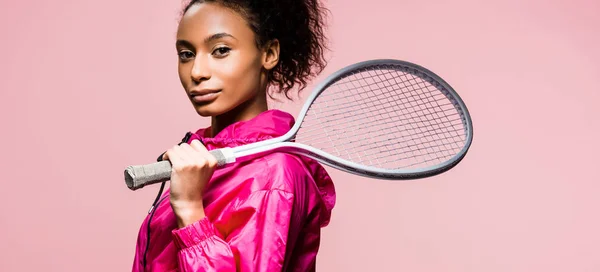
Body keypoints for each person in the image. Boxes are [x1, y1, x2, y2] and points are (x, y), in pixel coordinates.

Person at [131, 0, 336, 271]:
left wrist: (191, 211)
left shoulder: (274, 175)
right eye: (186, 54)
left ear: (269, 53)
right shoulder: (200, 158)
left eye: (221, 50)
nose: (197, 72)